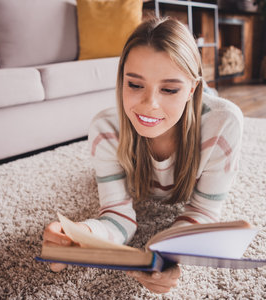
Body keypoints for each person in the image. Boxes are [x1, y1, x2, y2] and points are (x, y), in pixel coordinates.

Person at [42, 17, 243, 294]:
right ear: (121, 80)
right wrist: (81, 235)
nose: (150, 105)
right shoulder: (106, 127)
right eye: (135, 85)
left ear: (191, 89)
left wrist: (168, 252)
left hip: (203, 107)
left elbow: (203, 211)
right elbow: (117, 216)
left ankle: (202, 93)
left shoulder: (224, 124)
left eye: (170, 89)